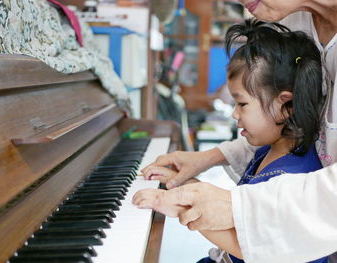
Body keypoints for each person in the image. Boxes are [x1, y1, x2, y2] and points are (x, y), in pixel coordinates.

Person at [132, 1, 337, 263]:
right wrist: (186, 180)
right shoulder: (272, 147)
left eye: (241, 104)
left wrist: (186, 206)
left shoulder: (291, 171)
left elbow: (263, 243)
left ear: (287, 104)